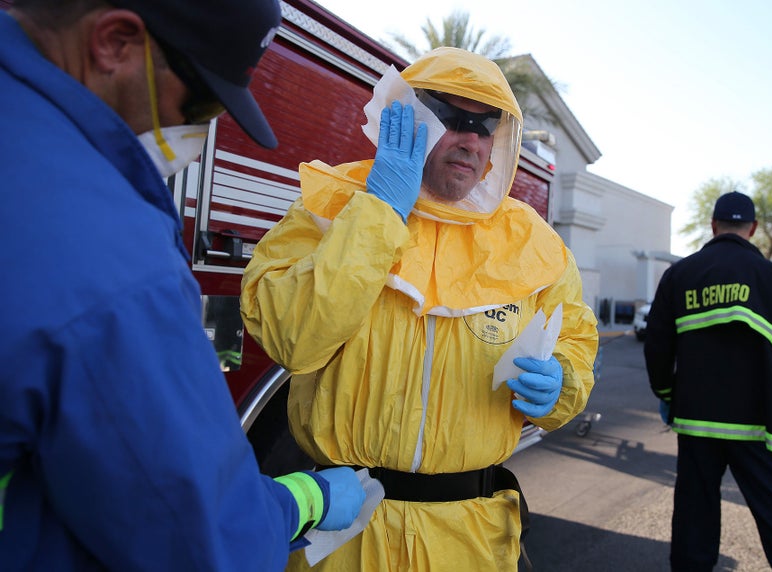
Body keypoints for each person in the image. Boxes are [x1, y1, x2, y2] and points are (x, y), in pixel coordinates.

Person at [0, 1, 366, 570]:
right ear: (115, 42)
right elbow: (199, 537)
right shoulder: (111, 258)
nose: (202, 130)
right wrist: (304, 500)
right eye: (203, 101)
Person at [240, 46, 599, 571]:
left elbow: (575, 344)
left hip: (471, 540)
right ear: (410, 117)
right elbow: (292, 335)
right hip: (348, 536)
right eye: (453, 118)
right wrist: (381, 210)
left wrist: (561, 384)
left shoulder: (535, 245)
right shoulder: (332, 206)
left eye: (485, 125)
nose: (472, 138)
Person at [643, 191, 772, 571]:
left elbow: (658, 344)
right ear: (753, 229)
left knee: (694, 522)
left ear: (713, 226)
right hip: (762, 427)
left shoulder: (680, 275)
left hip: (697, 424)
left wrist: (665, 393)